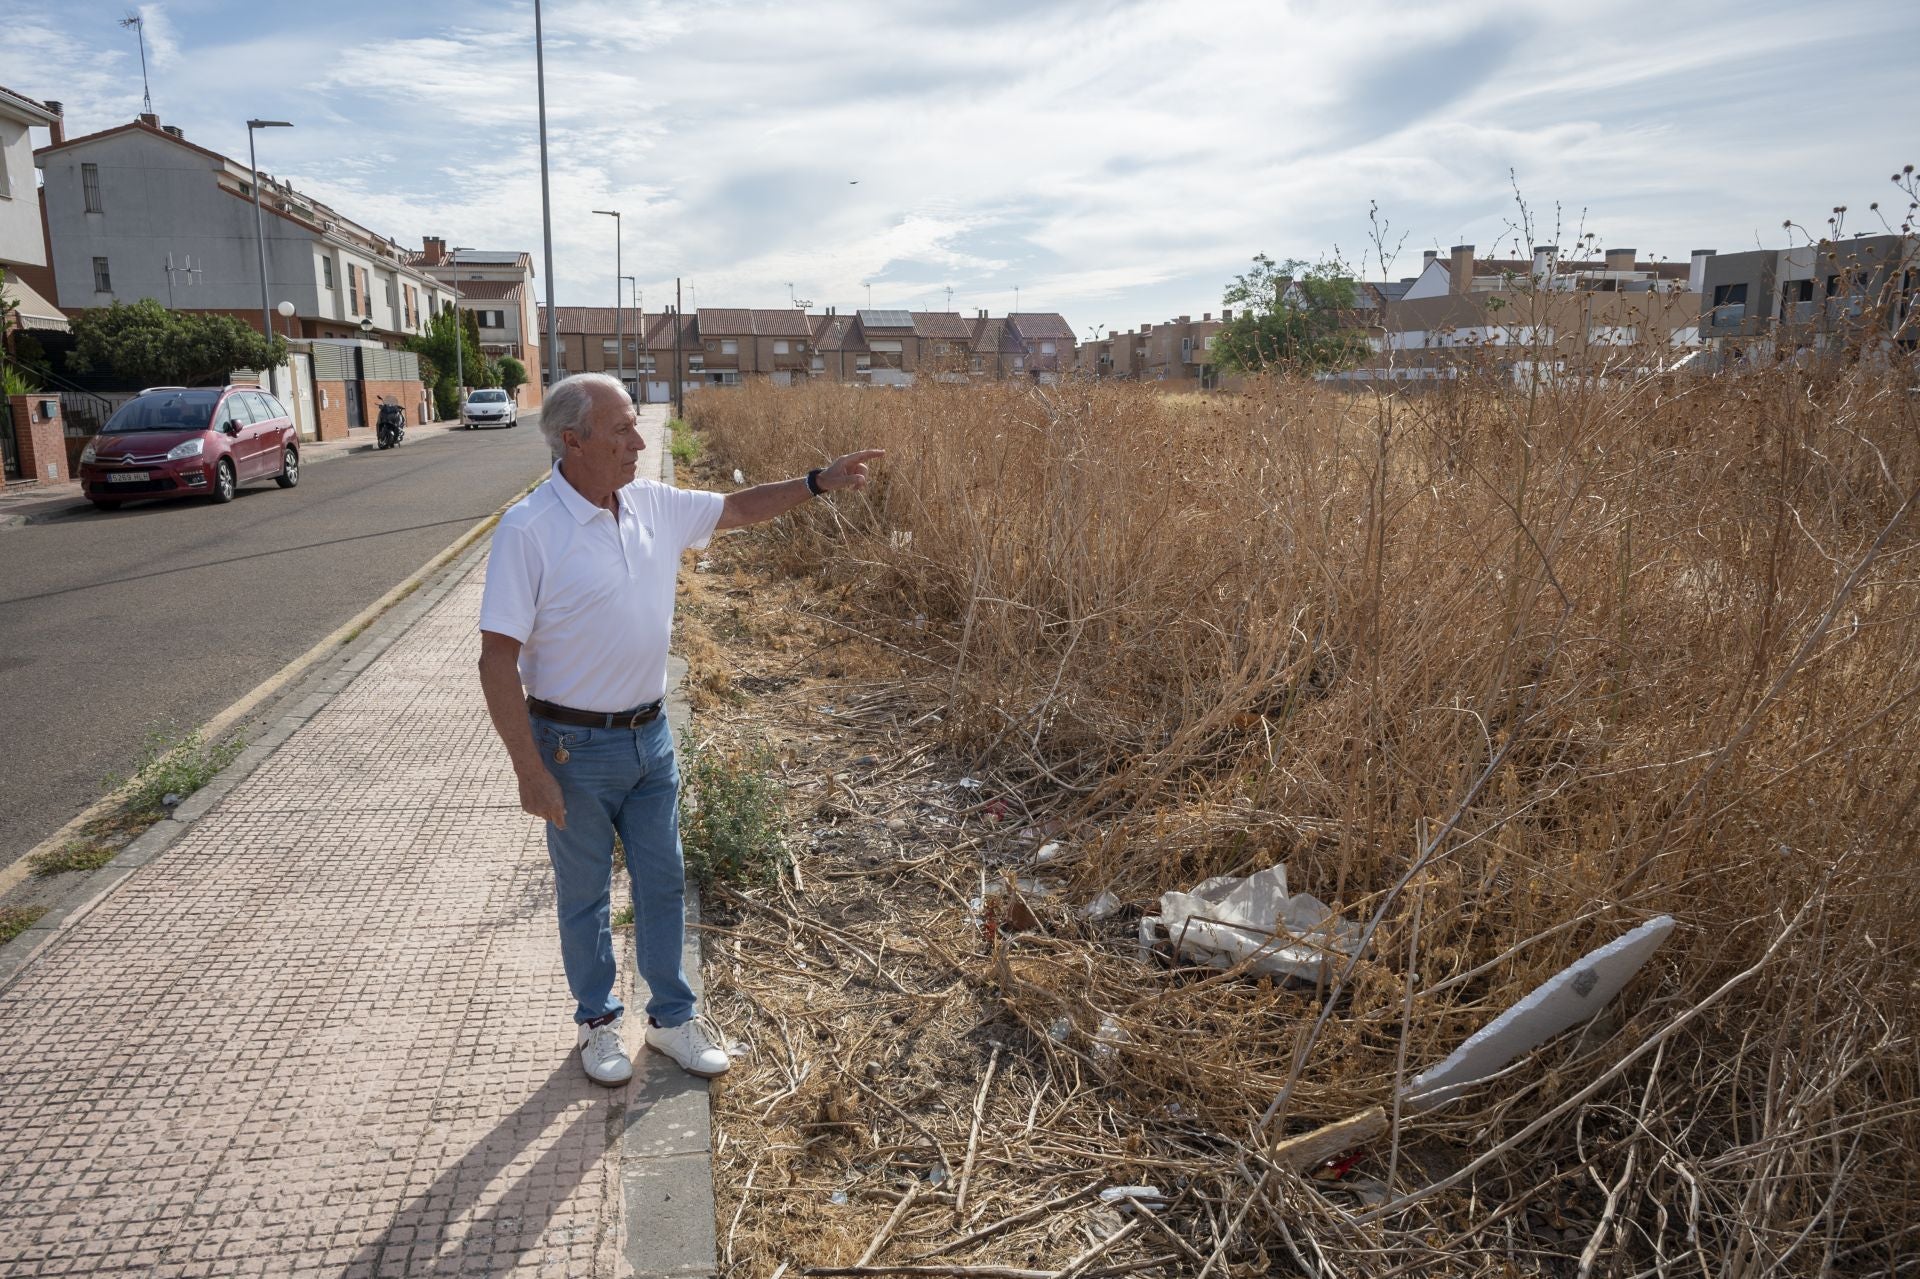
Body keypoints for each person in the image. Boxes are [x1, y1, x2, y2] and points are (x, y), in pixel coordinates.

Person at [477, 372, 884, 1086]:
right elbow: (496, 659)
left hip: (651, 738)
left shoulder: (651, 505)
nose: (639, 443)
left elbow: (737, 508)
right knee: (585, 896)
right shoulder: (529, 529)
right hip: (572, 749)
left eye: (637, 426)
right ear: (573, 441)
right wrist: (528, 770)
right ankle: (598, 1023)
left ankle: (670, 1019)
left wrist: (817, 482)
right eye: (622, 430)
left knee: (664, 882)